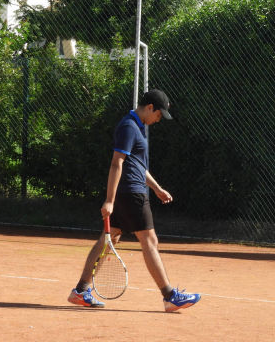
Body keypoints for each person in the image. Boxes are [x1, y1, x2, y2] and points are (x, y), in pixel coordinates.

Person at [68, 89, 201, 312]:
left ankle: (81, 290)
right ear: (149, 107)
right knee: (150, 240)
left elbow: (137, 165)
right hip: (131, 193)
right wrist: (109, 200)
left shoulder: (136, 126)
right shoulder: (129, 127)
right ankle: (169, 296)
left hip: (129, 191)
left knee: (109, 239)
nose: (158, 119)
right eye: (158, 114)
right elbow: (116, 163)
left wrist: (157, 188)